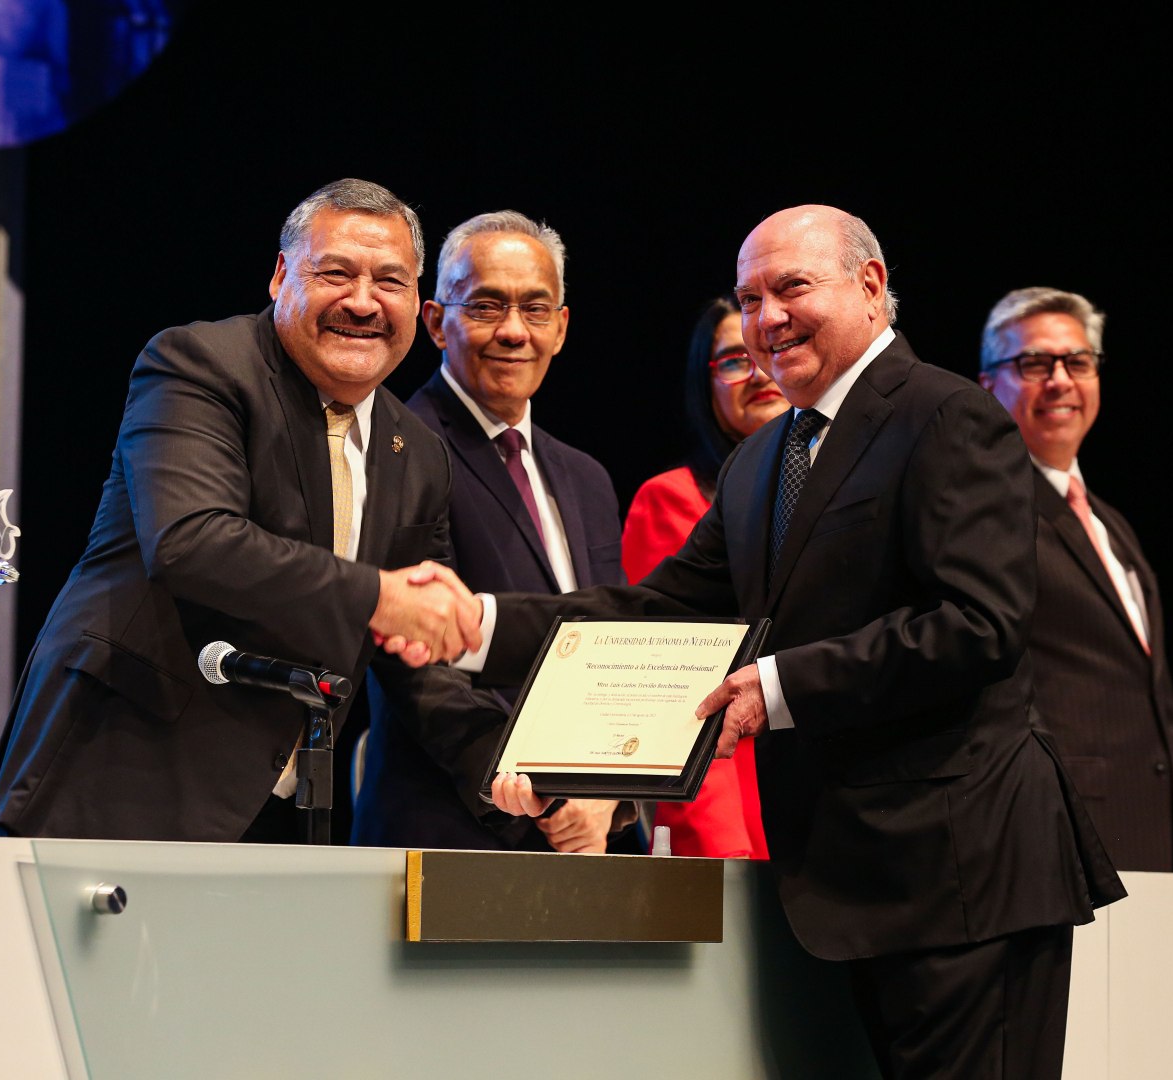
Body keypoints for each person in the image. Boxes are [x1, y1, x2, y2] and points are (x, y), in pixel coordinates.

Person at [465, 206, 1125, 1080]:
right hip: (841, 891)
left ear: (871, 286)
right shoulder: (762, 459)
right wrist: (477, 626)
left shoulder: (946, 416)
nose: (767, 317)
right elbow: (659, 609)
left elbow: (979, 624)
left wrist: (775, 689)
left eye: (792, 288)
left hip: (964, 882)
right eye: (749, 298)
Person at [0, 179, 502, 843]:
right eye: (335, 273)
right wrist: (380, 596)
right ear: (281, 275)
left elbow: (412, 653)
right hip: (118, 784)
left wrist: (507, 770)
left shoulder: (420, 452)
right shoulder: (199, 365)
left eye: (390, 281)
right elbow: (192, 541)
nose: (363, 301)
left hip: (282, 810)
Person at [353, 210, 630, 854]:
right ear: (434, 322)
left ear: (561, 327)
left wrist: (610, 793)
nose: (513, 330)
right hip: (451, 834)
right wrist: (538, 789)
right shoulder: (394, 448)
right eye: (485, 306)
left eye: (535, 309)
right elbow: (412, 660)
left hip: (586, 839)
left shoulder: (587, 478)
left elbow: (613, 649)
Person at [977, 287, 1173, 873]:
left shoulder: (1112, 525)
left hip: (1160, 843)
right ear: (987, 386)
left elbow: (1154, 709)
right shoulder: (988, 513)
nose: (1060, 380)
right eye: (1034, 363)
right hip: (1062, 844)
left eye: (1077, 361)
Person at [623, 295, 788, 859]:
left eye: (768, 351)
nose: (758, 372)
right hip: (736, 816)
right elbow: (677, 689)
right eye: (734, 360)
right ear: (706, 385)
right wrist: (720, 847)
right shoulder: (671, 499)